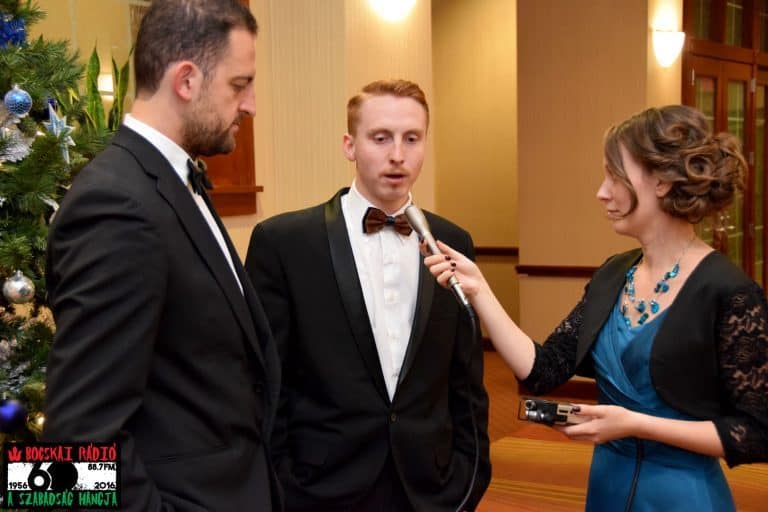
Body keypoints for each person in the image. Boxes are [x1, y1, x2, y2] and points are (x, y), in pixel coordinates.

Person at [425, 105, 768, 511]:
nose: (601, 192)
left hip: (681, 495)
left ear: (661, 182)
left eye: (614, 176)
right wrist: (480, 290)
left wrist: (636, 424)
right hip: (607, 486)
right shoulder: (613, 275)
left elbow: (757, 434)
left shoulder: (729, 291)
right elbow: (543, 369)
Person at [42, 1, 281, 510]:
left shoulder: (173, 179)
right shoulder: (116, 204)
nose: (251, 105)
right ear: (186, 80)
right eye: (239, 85)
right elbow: (76, 444)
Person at [245, 79, 491, 511]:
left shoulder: (453, 242)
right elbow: (266, 382)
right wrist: (283, 485)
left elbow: (466, 381)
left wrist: (469, 476)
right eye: (380, 138)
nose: (398, 154)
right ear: (350, 145)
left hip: (430, 487)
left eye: (411, 138)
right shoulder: (284, 243)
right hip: (320, 489)